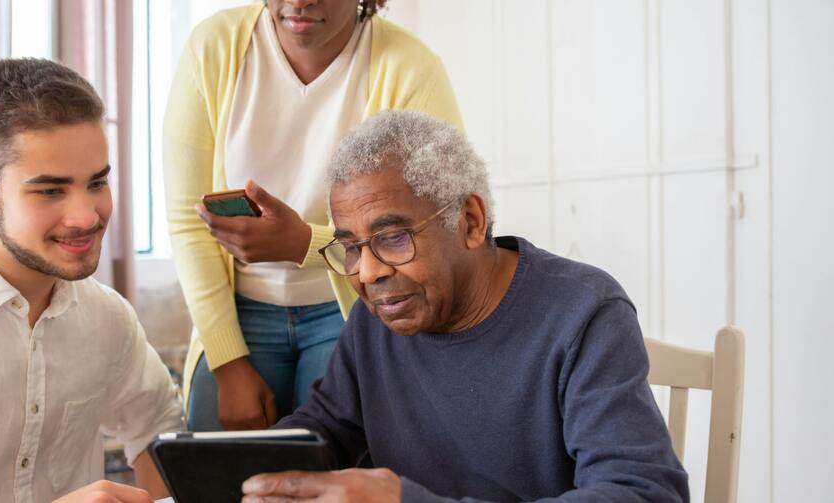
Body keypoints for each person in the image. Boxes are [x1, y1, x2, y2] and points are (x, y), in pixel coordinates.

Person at [240, 110, 691, 502]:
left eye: (393, 238)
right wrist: (228, 469)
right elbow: (323, 432)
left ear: (470, 221)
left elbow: (643, 491)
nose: (368, 272)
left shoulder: (583, 313)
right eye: (352, 247)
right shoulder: (377, 318)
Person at [0, 59, 184, 503]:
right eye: (50, 190)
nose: (86, 216)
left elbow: (159, 432)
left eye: (97, 182)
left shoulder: (107, 318)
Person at [162, 0, 463, 432]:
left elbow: (435, 226)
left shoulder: (411, 69)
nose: (300, 2)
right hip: (236, 313)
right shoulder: (214, 47)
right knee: (215, 474)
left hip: (351, 309)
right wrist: (227, 363)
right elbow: (188, 218)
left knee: (333, 478)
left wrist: (305, 243)